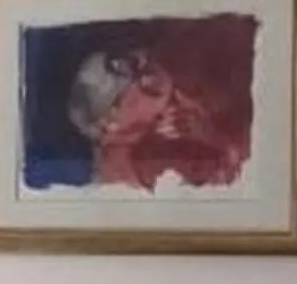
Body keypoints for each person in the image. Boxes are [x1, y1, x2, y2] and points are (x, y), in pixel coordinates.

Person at [66, 42, 246, 191]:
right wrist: (215, 139)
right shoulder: (144, 164)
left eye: (132, 63)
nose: (145, 79)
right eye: (123, 89)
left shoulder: (178, 106)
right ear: (110, 124)